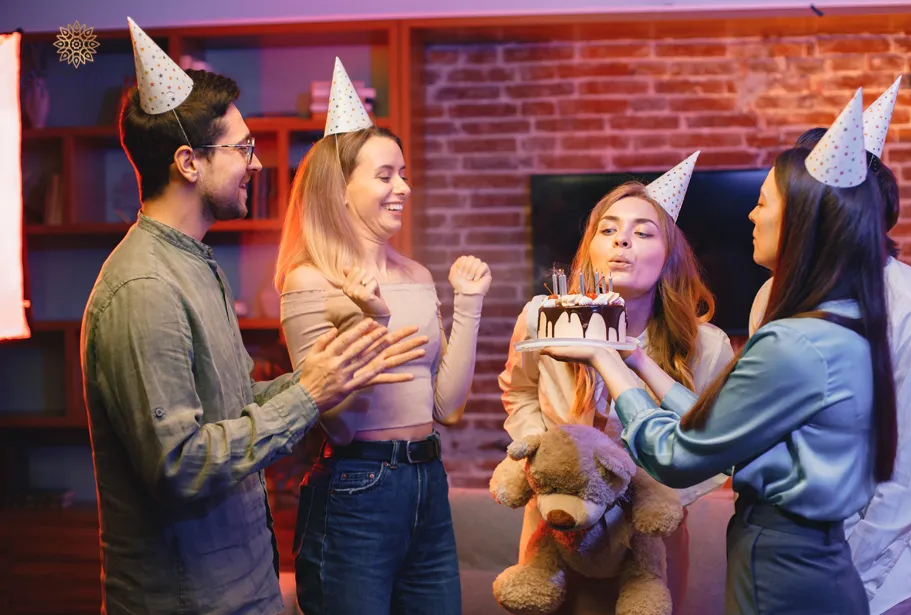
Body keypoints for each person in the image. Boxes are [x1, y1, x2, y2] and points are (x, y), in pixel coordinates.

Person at [81, 23, 426, 615]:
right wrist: (309, 397)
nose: (257, 163)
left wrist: (322, 375)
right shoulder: (144, 288)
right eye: (242, 149)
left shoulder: (194, 264)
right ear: (188, 163)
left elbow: (234, 401)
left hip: (245, 589)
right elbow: (180, 466)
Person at [541, 90, 896, 615]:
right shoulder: (839, 328)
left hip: (783, 570)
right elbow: (726, 438)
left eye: (763, 202)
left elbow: (681, 455)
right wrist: (637, 360)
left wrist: (607, 362)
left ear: (800, 222)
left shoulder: (792, 342)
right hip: (815, 562)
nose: (751, 217)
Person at [275, 58, 490, 615]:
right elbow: (339, 421)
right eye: (385, 175)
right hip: (356, 486)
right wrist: (369, 318)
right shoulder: (309, 281)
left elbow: (448, 405)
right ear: (340, 188)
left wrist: (469, 304)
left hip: (428, 480)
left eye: (403, 173)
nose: (404, 187)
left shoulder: (418, 276)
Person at [750, 80, 911, 615]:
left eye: (764, 201)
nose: (752, 216)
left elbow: (910, 477)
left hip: (878, 583)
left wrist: (840, 577)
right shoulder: (768, 299)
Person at [497, 153, 734, 614]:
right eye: (608, 230)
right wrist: (545, 459)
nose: (622, 240)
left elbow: (714, 447)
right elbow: (519, 390)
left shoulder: (706, 345)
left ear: (669, 257)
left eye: (643, 233)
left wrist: (646, 495)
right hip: (557, 520)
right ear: (589, 249)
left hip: (647, 538)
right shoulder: (542, 318)